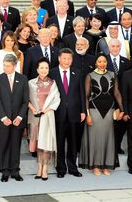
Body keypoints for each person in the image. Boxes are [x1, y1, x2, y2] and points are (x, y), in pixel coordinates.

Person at [79, 54, 124, 176]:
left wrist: (122, 109)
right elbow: (86, 97)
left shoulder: (112, 74)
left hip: (109, 110)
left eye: (104, 61)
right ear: (96, 63)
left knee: (108, 138)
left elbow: (117, 93)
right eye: (100, 61)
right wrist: (87, 114)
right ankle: (96, 165)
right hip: (94, 110)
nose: (102, 63)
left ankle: (105, 164)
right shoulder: (90, 76)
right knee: (95, 139)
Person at [49, 48, 86, 178]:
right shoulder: (52, 73)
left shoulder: (78, 72)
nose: (67, 61)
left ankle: (72, 167)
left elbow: (82, 93)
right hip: (58, 113)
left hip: (75, 113)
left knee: (73, 142)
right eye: (64, 58)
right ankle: (60, 168)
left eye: (69, 58)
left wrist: (83, 111)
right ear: (59, 58)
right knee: (59, 142)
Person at [0, 54, 29, 182]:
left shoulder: (23, 79)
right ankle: (4, 171)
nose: (5, 68)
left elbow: (25, 101)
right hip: (4, 120)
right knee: (3, 145)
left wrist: (20, 117)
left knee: (16, 145)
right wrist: (3, 117)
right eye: (4, 65)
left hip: (17, 120)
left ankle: (15, 171)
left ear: (15, 66)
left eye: (8, 66)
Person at [28, 58, 60, 181]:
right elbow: (26, 99)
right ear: (37, 69)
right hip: (35, 116)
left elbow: (57, 99)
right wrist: (33, 109)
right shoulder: (31, 83)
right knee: (38, 144)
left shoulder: (53, 83)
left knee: (45, 144)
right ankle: (38, 168)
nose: (44, 70)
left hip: (47, 116)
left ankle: (45, 169)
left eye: (46, 68)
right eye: (41, 67)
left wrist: (46, 109)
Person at [105, 39, 132, 155]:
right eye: (113, 46)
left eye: (117, 46)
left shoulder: (126, 62)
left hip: (122, 98)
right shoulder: (103, 61)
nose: (115, 48)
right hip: (107, 98)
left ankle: (117, 146)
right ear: (109, 47)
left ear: (120, 48)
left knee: (121, 125)